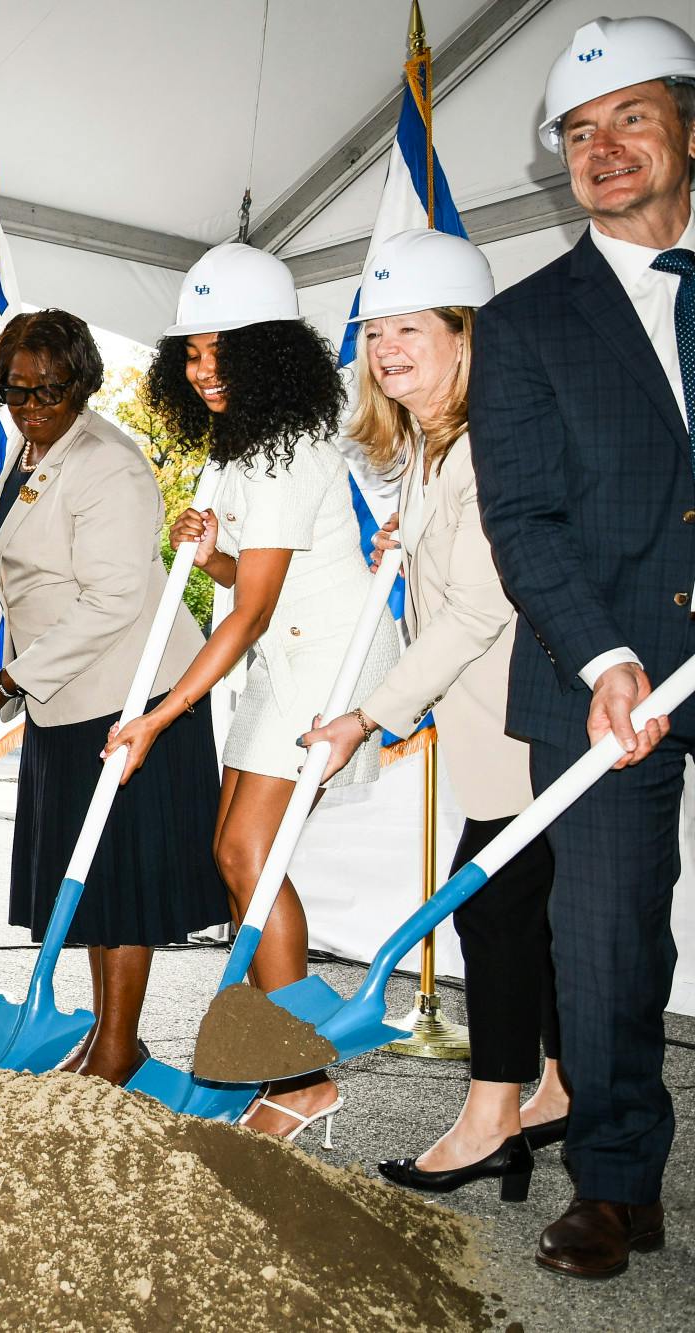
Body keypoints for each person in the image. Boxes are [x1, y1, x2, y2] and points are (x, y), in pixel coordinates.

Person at [467, 16, 695, 1279]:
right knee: (607, 940)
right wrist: (606, 658)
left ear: (686, 132)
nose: (601, 148)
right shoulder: (523, 325)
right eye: (576, 132)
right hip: (598, 664)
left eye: (629, 119)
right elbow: (522, 515)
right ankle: (614, 1182)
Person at [105, 242, 396, 1140]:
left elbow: (255, 608)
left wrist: (160, 713)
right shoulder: (243, 444)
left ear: (269, 352)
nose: (202, 372)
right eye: (191, 354)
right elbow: (249, 575)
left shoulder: (283, 446)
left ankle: (304, 1078)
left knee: (248, 855)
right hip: (282, 654)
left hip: (321, 663)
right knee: (239, 854)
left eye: (221, 353)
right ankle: (266, 1052)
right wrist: (207, 544)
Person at [298, 230, 566, 1202]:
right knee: (523, 917)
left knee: (490, 909)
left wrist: (368, 715)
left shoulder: (493, 438)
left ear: (465, 335)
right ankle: (560, 1085)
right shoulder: (425, 444)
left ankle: (492, 1116)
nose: (387, 349)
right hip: (482, 723)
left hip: (527, 721)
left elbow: (481, 606)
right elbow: (436, 584)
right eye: (374, 332)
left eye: (410, 328)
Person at [0, 310, 227, 1082]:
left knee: (119, 879)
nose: (34, 402)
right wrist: (4, 577)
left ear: (82, 381)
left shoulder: (107, 460)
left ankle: (117, 1046)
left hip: (129, 693)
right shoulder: (35, 442)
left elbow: (112, 598)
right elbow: (43, 540)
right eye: (18, 387)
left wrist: (10, 677)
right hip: (68, 690)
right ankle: (112, 1036)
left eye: (52, 387)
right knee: (91, 882)